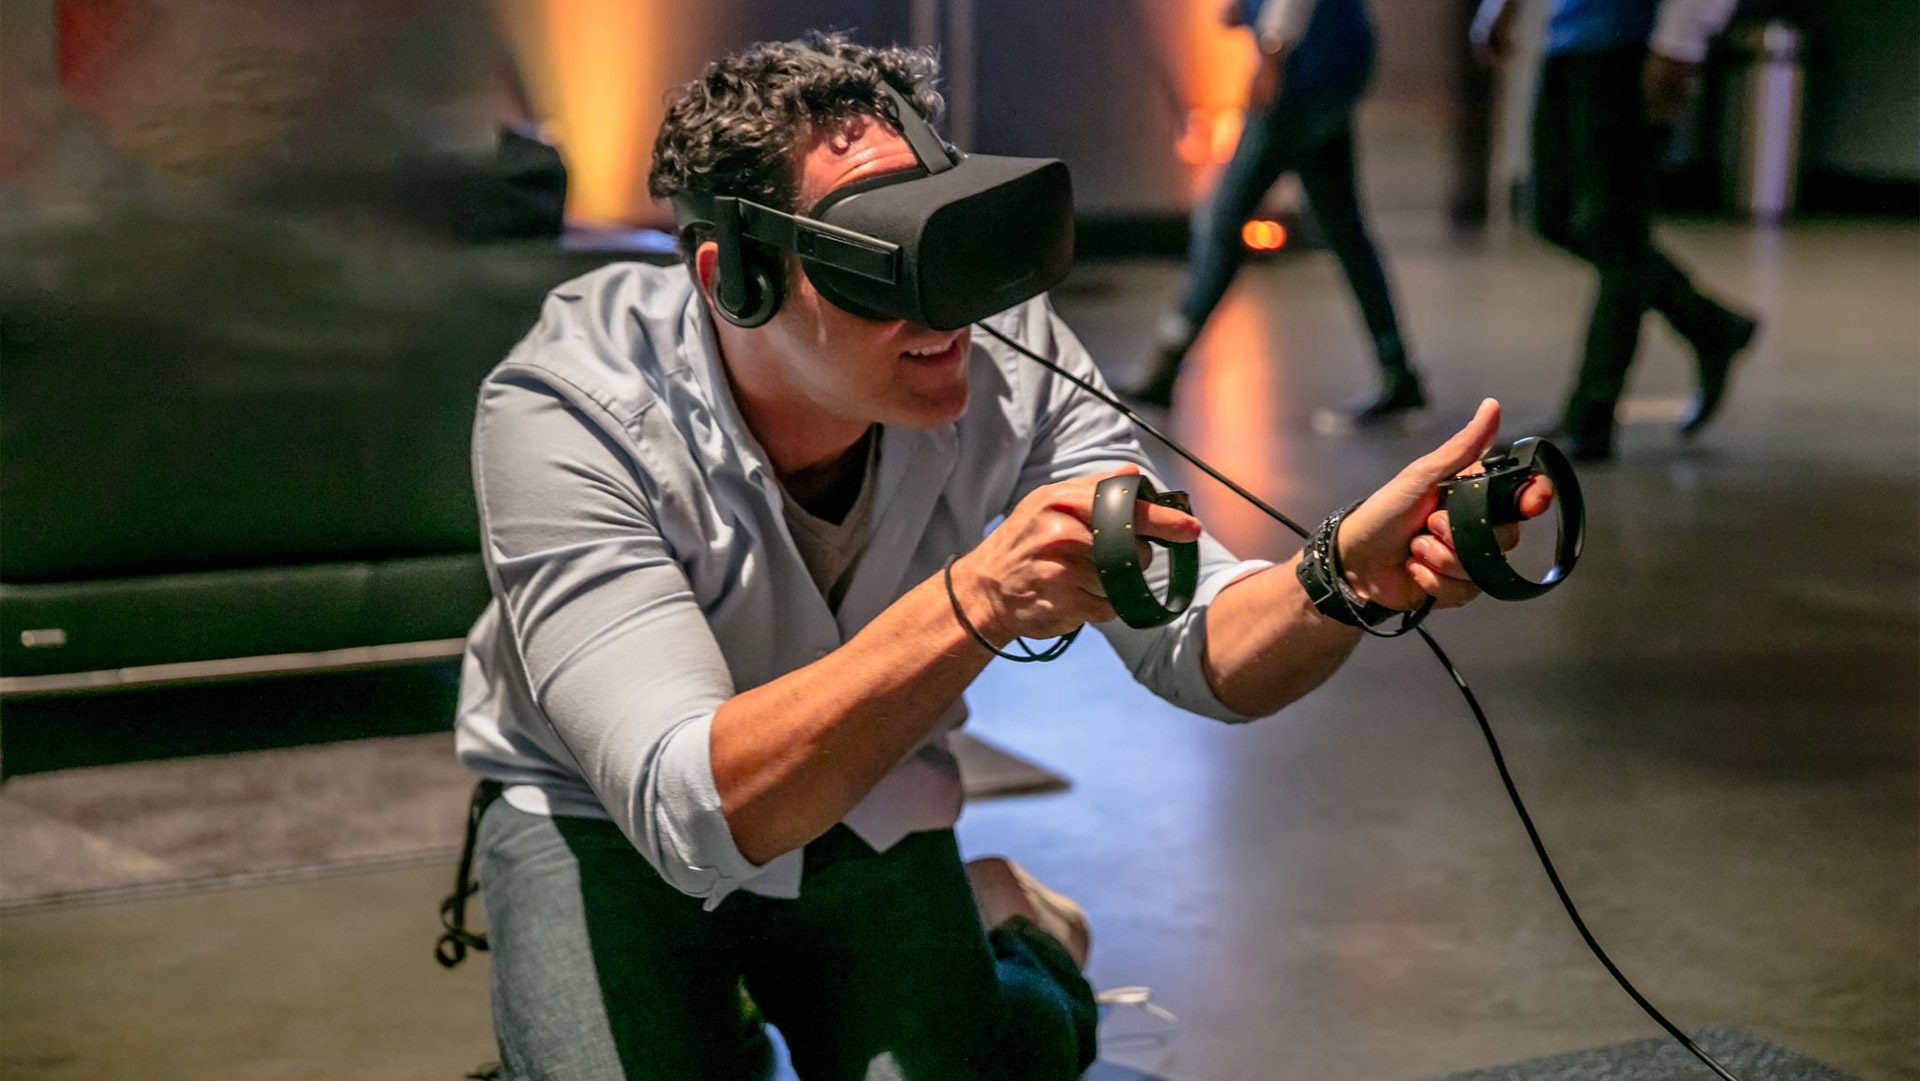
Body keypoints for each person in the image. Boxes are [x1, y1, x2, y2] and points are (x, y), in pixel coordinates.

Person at [453, 33, 1547, 1080]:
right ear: (733, 278)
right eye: (883, 262)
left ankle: (1016, 930)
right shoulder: (569, 409)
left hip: (867, 788)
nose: (947, 308)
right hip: (603, 820)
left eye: (949, 239)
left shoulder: (1006, 357)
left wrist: (1342, 579)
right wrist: (974, 600)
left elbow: (1197, 644)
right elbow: (688, 809)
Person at [1473, 0, 1759, 461]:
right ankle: (1711, 326)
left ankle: (1591, 417)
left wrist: (1679, 44)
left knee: (1615, 231)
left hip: (1632, 46)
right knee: (1554, 215)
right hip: (1569, 37)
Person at [1125, 0, 1425, 435]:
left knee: (1223, 220)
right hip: (1329, 71)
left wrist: (1270, 54)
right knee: (1343, 229)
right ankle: (1398, 372)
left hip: (1299, 77)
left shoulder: (1284, 60)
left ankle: (1166, 364)